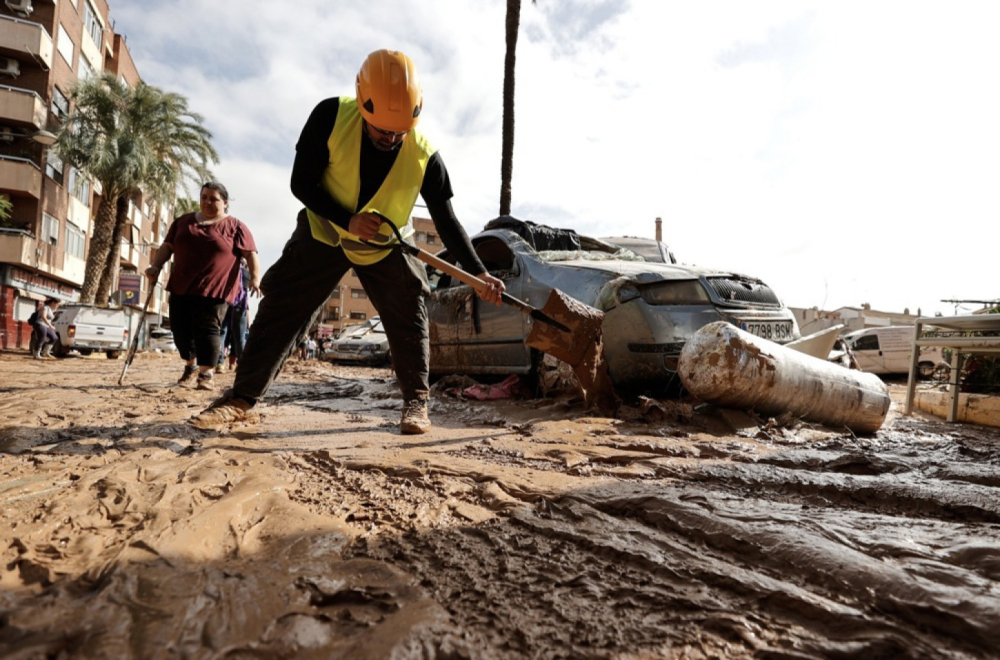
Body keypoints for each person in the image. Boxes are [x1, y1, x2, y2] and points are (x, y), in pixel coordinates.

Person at [192, 48, 504, 434]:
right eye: (382, 131)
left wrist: (479, 273)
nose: (391, 139)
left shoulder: (425, 157)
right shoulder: (330, 117)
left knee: (409, 309)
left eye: (400, 132)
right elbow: (301, 183)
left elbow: (448, 222)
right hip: (323, 231)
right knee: (283, 307)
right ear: (362, 102)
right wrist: (348, 220)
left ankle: (416, 402)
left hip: (386, 246)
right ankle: (241, 398)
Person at [145, 182, 261, 391]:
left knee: (208, 329)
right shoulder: (183, 222)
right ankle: (190, 366)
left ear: (225, 202)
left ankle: (206, 373)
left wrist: (255, 278)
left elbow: (250, 254)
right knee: (180, 329)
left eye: (213, 199)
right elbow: (167, 247)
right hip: (181, 286)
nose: (207, 202)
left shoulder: (235, 226)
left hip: (216, 288)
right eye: (204, 197)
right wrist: (155, 266)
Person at [217, 259, 250, 374]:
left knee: (222, 333)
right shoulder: (246, 273)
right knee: (240, 337)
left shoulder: (226, 270)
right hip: (240, 306)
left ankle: (220, 363)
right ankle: (241, 364)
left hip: (225, 303)